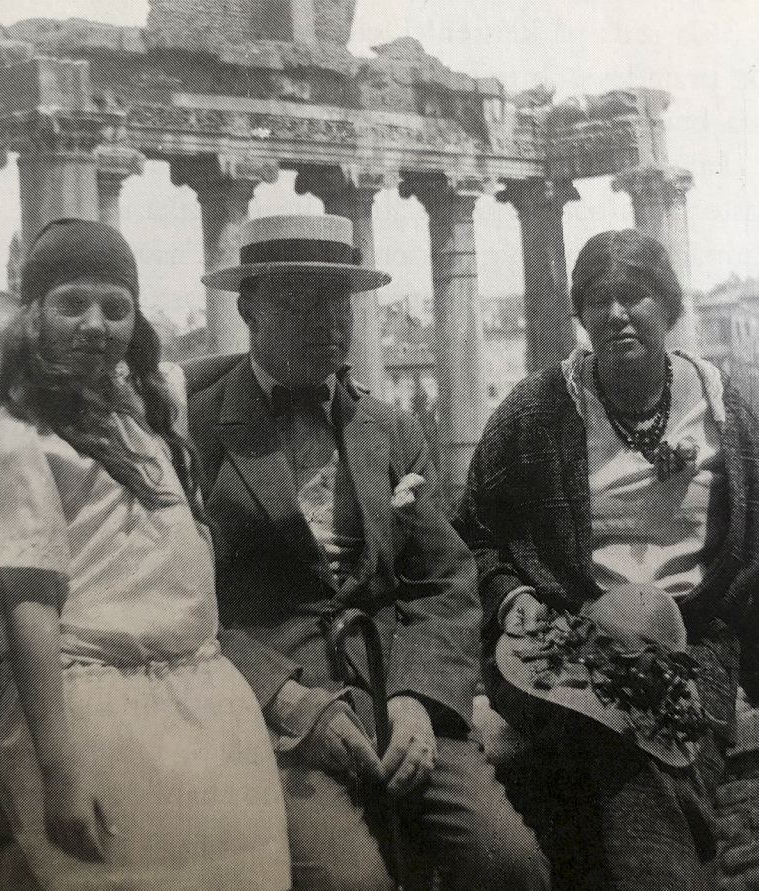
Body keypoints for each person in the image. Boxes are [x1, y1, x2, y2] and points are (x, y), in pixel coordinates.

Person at [188, 214, 549, 891]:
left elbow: (445, 580)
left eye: (337, 300)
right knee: (352, 884)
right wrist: (287, 700)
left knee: (510, 862)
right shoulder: (197, 432)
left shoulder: (390, 427)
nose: (324, 318)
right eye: (298, 299)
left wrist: (418, 698)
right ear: (248, 307)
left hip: (398, 702)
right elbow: (183, 604)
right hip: (275, 719)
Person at [0, 219, 292, 891]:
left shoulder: (145, 408)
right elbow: (33, 615)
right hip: (97, 714)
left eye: (116, 307)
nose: (96, 324)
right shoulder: (16, 444)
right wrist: (61, 770)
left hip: (206, 707)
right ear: (32, 316)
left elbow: (218, 368)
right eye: (72, 303)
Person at [455, 229, 759, 891]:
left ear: (667, 305)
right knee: (632, 743)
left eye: (632, 296)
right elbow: (470, 536)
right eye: (596, 300)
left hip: (693, 645)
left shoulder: (723, 410)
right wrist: (509, 596)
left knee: (643, 750)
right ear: (580, 315)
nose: (615, 314)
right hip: (563, 644)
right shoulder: (536, 411)